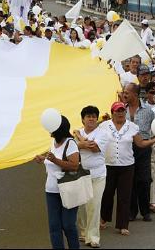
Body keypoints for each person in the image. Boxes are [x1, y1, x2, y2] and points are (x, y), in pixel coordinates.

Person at [99, 102, 155, 236]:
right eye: (117, 111)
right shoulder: (104, 126)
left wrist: (154, 140)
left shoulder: (132, 126)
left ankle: (122, 225)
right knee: (107, 194)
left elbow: (140, 143)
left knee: (124, 196)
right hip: (109, 165)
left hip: (127, 166)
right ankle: (103, 219)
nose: (120, 113)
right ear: (112, 113)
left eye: (122, 110)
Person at [35, 116, 80, 249]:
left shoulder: (70, 143)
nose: (50, 131)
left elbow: (74, 165)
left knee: (68, 225)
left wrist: (54, 160)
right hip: (51, 190)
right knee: (54, 226)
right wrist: (43, 159)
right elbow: (53, 160)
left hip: (68, 190)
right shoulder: (54, 143)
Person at [74, 106, 108, 249]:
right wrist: (79, 143)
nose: (91, 119)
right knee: (81, 206)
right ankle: (83, 232)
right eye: (88, 116)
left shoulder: (102, 133)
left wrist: (80, 143)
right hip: (81, 174)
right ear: (83, 119)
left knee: (94, 205)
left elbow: (94, 148)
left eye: (94, 116)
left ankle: (93, 237)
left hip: (98, 174)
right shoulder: (76, 132)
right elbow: (70, 149)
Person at [122, 83, 155, 223]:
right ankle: (132, 212)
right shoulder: (121, 110)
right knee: (130, 180)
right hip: (127, 147)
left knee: (143, 179)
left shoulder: (148, 110)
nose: (124, 95)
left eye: (126, 93)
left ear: (135, 95)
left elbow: (154, 128)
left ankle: (145, 211)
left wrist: (153, 142)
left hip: (143, 148)